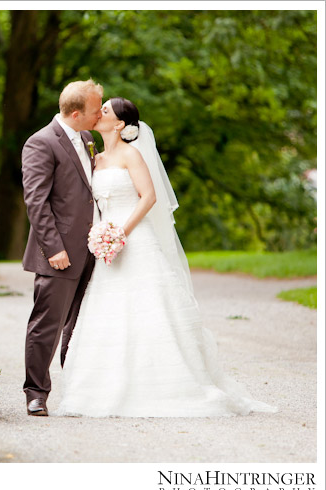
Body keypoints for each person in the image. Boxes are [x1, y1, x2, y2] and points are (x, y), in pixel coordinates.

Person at [55, 97, 276, 417]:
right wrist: (102, 236)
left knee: (151, 309)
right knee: (110, 311)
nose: (98, 112)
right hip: (107, 249)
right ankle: (102, 388)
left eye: (105, 111)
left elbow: (149, 197)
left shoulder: (132, 155)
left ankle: (165, 385)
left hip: (134, 239)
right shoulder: (96, 159)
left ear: (118, 124)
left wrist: (121, 233)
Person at [21, 79, 103, 416]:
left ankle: (77, 390)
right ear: (75, 112)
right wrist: (54, 248)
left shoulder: (87, 139)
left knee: (80, 323)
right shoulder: (41, 143)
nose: (100, 114)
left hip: (94, 250)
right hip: (60, 254)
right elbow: (36, 201)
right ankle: (36, 393)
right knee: (47, 325)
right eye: (96, 109)